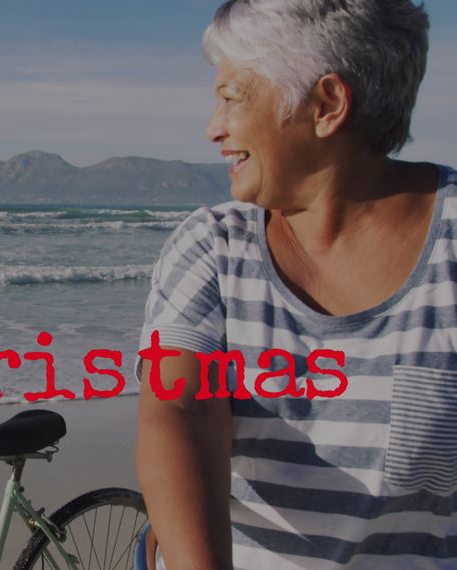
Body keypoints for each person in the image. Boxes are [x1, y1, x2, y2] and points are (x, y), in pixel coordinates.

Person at [135, 1, 454, 568]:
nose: (213, 128)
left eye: (231, 97)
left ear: (326, 104)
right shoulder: (214, 243)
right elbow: (179, 409)